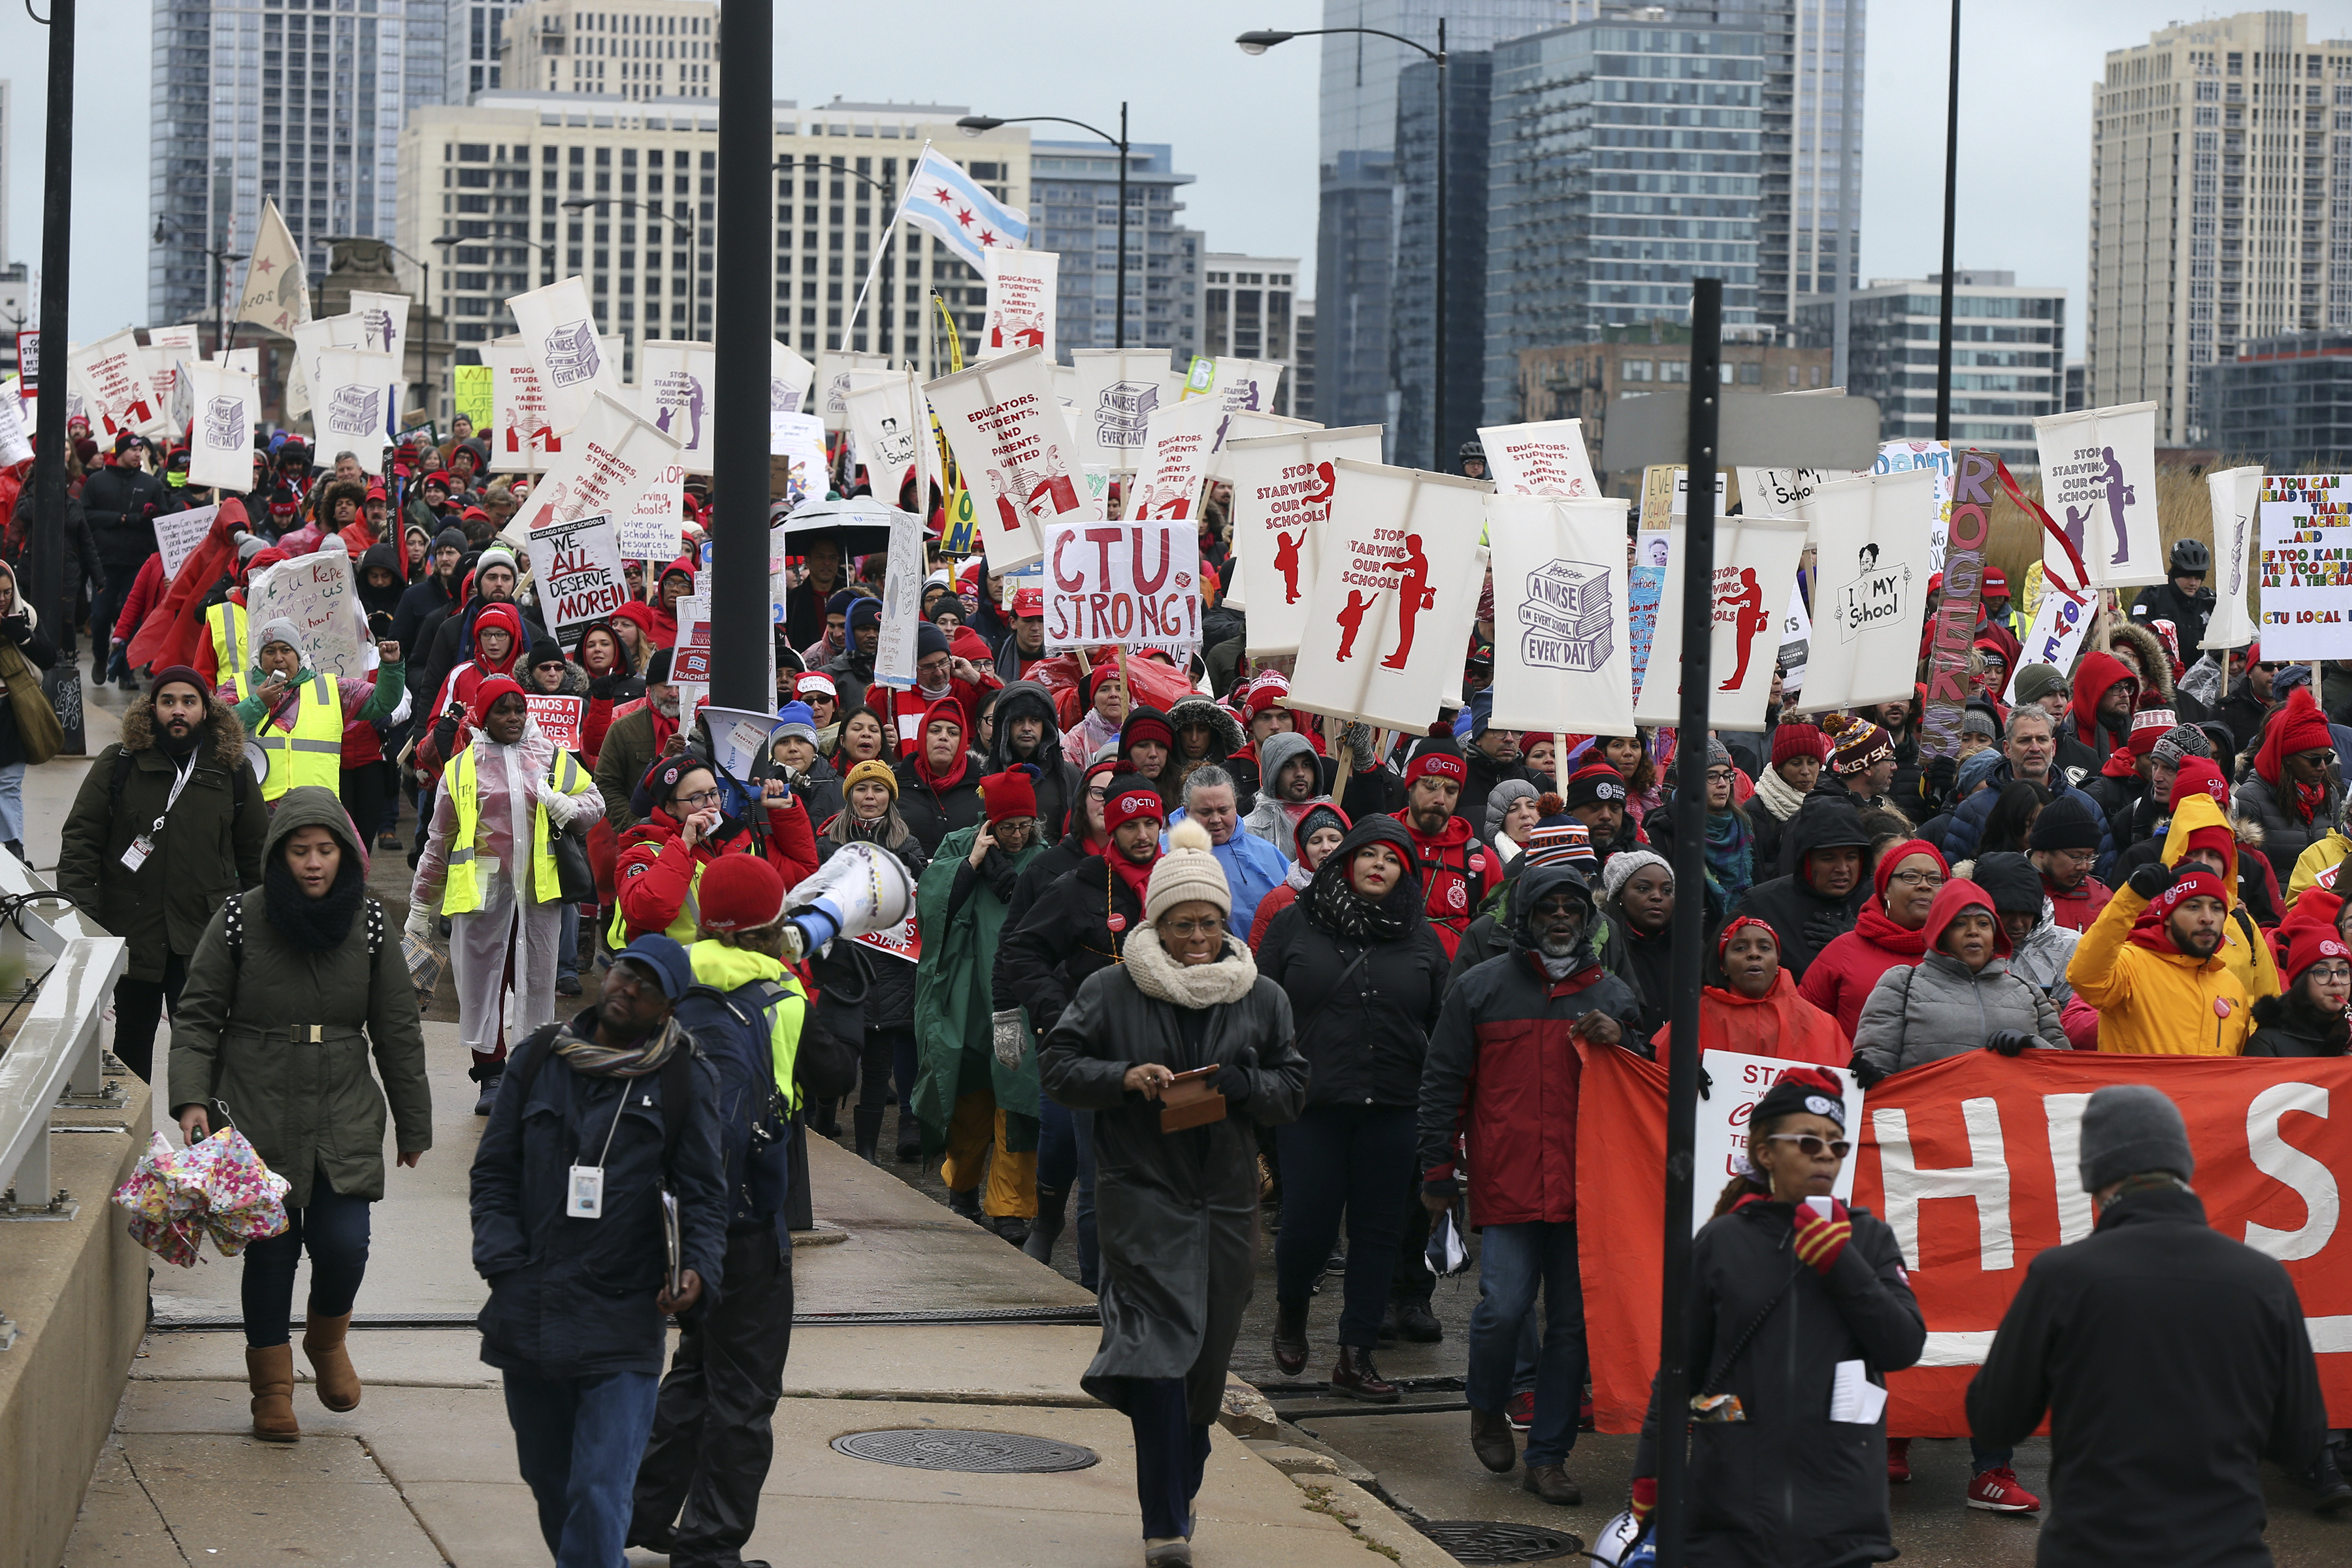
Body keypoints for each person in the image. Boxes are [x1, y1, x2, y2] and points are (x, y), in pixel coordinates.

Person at [1037, 819, 1310, 1567]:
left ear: (1226, 924)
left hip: (1226, 1206)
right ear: (1156, 923)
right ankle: (1164, 1525)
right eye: (1182, 924)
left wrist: (1246, 1087)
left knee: (1204, 1366)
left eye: (1209, 923)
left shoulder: (1262, 996)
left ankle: (1179, 1487)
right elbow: (1057, 1068)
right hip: (1141, 1201)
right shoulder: (1110, 989)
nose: (1197, 938)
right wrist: (1123, 1078)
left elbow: (1293, 1088)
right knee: (1156, 1353)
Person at [164, 787, 429, 1441]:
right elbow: (197, 1017)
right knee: (270, 1252)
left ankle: (326, 1340)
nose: (313, 863)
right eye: (300, 850)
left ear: (345, 854)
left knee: (344, 1244)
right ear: (279, 855)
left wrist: (413, 1122)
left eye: (325, 850)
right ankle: (272, 1390)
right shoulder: (238, 919)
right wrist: (192, 1098)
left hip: (343, 1105)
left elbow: (397, 1029)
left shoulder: (370, 923)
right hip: (254, 1103)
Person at [1967, 1084, 2333, 1559]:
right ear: (2181, 1164)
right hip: (2226, 1551)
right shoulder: (2264, 1280)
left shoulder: (2062, 1276)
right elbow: (2301, 1441)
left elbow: (1994, 1419)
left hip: (2093, 1550)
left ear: (2095, 1174)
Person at [470, 934, 727, 1568]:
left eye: (649, 988)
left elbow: (704, 1195)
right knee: (551, 1481)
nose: (629, 990)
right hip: (530, 1306)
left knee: (599, 1489)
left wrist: (697, 1269)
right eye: (625, 974)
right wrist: (502, 1262)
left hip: (623, 1313)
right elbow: (494, 1172)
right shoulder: (539, 1058)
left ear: (668, 1009)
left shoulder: (684, 1079)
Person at [1416, 858, 1646, 1502]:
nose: (1561, 918)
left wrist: (1625, 1041)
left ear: (1589, 918)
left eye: (1573, 908)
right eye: (1549, 908)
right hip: (1508, 1181)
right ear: (1525, 916)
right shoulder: (1480, 988)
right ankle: (1486, 1404)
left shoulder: (1613, 997)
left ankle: (1548, 1457)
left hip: (1588, 1190)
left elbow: (1648, 1085)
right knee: (1502, 1311)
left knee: (1573, 1326)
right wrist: (1437, 1171)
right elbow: (1442, 1083)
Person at [1629, 1066, 1924, 1560]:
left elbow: (1904, 1346)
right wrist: (1651, 1473)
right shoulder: (1722, 1240)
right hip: (1730, 1518)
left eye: (1837, 1145)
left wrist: (1843, 1264)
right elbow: (1681, 1373)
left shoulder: (1868, 1238)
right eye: (1808, 1142)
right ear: (1765, 1153)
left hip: (1842, 1522)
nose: (1826, 1154)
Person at [626, 858, 814, 1567]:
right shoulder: (782, 998)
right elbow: (822, 1079)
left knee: (697, 1368)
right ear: (772, 925)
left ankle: (638, 1510)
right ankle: (710, 1547)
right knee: (745, 1389)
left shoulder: (665, 987)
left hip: (669, 1214)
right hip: (744, 1222)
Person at [1256, 816, 1449, 1401]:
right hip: (1311, 1104)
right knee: (1309, 1223)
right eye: (1370, 854)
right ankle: (1292, 1308)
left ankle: (1355, 1356)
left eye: (1393, 859)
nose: (1379, 865)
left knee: (1378, 1232)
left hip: (1394, 1105)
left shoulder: (1421, 936)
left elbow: (1441, 1024)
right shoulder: (1295, 923)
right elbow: (1259, 1007)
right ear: (1346, 861)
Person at [57, 666, 269, 1081]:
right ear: (152, 708)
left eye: (189, 702)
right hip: (134, 931)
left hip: (205, 936)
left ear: (205, 710)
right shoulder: (120, 764)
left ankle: (203, 1125)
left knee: (203, 1046)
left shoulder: (233, 770)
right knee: (133, 1039)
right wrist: (83, 918)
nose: (178, 711)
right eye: (167, 701)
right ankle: (133, 1123)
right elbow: (81, 840)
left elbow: (256, 857)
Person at [410, 678, 606, 1112]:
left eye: (519, 709)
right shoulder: (462, 768)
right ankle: (492, 1075)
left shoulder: (551, 755)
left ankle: (531, 1072)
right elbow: (438, 842)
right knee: (486, 988)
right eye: (502, 710)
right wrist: (420, 906)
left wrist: (572, 809)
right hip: (483, 896)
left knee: (536, 983)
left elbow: (595, 803)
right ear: (484, 716)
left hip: (538, 895)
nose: (514, 718)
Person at [911, 769, 1047, 1241]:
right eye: (1008, 827)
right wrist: (971, 863)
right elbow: (932, 908)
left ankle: (1011, 1206)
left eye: (1025, 826)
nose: (1017, 835)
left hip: (1019, 997)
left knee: (1018, 1096)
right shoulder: (959, 845)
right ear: (991, 822)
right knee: (968, 1092)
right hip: (966, 993)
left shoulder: (1044, 860)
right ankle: (963, 1184)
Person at [809, 759, 930, 1163]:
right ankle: (823, 1124)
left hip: (892, 970)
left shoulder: (907, 845)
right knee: (835, 1058)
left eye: (878, 789)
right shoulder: (828, 844)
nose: (870, 796)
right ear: (849, 796)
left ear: (890, 797)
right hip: (844, 969)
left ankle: (867, 1153)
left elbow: (923, 902)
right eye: (861, 789)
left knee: (879, 1068)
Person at [1850, 875, 2068, 1100]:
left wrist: (2032, 1045)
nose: (1973, 932)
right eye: (1960, 924)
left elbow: (2066, 1070)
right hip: (1929, 1117)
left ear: (1995, 936)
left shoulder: (2029, 992)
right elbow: (1875, 1068)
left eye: (1983, 924)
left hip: (2014, 1118)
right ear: (1941, 934)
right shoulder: (1902, 984)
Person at [612, 754, 819, 943]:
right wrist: (683, 845)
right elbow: (648, 914)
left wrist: (785, 813)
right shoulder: (643, 852)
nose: (711, 804)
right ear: (670, 808)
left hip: (747, 963)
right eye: (697, 798)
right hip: (685, 968)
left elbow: (802, 879)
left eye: (714, 793)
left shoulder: (742, 839)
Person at [2066, 862, 2254, 1055]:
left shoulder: (2233, 987)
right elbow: (2085, 977)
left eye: (2216, 908)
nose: (2207, 918)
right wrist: (2130, 899)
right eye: (2193, 907)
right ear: (2168, 917)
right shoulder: (2129, 966)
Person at [233, 619, 406, 804]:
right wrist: (258, 703)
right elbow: (218, 729)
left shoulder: (332, 688)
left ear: (298, 655)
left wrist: (391, 667)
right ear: (259, 657)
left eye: (286, 650)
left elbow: (382, 702)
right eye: (270, 651)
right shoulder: (238, 686)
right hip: (258, 807)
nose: (278, 658)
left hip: (318, 806)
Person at [1800, 838, 1950, 1039]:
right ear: (1885, 889)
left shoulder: (1960, 952)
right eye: (1910, 877)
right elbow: (1803, 1025)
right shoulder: (1842, 951)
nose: (1924, 885)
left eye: (1935, 879)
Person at [1652, 915, 1847, 1065]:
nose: (1754, 954)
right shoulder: (1692, 1019)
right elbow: (1657, 1071)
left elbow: (1845, 1086)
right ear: (1723, 966)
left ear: (1777, 961)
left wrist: (1858, 1076)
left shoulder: (1823, 1025)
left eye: (1764, 947)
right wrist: (1682, 1076)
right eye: (1740, 948)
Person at [1729, 796, 1871, 979]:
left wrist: (1860, 941)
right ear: (1806, 860)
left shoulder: (1879, 901)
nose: (1843, 869)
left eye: (1851, 857)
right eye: (1828, 858)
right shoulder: (1762, 906)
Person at [1388, 738, 1501, 958]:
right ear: (1410, 784)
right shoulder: (1381, 845)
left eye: (1451, 791)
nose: (1440, 799)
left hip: (1456, 975)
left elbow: (1497, 932)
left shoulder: (1480, 858)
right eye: (1431, 786)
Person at [2240, 685, 2342, 884]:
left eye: (2327, 758)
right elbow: (2253, 878)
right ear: (2287, 757)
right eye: (2314, 760)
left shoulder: (2330, 794)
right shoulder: (2251, 800)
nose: (2323, 767)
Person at [1168, 768, 1286, 938]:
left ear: (1235, 805)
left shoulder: (1267, 852)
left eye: (1223, 810)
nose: (1216, 820)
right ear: (1187, 810)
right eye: (1205, 812)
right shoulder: (1163, 854)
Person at [0, 557, 59, 855]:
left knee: (9, 784)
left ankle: (14, 850)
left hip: (14, 709)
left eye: (7, 592)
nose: (2, 599)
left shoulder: (26, 615)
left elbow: (48, 658)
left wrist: (20, 634)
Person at [1970, 851, 2080, 1009]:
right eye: (2007, 913)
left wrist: (2062, 1016)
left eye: (2027, 914)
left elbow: (2088, 1011)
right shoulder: (1961, 946)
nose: (2018, 924)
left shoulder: (2068, 948)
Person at [593, 649, 683, 838]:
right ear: (649, 687)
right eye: (666, 686)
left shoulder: (701, 726)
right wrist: (634, 826)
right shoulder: (624, 729)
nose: (674, 693)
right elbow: (607, 785)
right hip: (643, 837)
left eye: (680, 686)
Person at [983, 679, 1080, 844]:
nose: (1027, 728)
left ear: (1047, 726)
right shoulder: (983, 775)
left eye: (1035, 720)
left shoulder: (1071, 776)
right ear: (1004, 726)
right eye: (1018, 720)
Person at [1247, 801, 1348, 950]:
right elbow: (1261, 957)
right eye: (1316, 842)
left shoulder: (1364, 892)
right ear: (1303, 849)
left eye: (1334, 840)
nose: (1326, 847)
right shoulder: (1276, 901)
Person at [892, 697, 986, 855]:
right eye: (935, 731)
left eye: (953, 733)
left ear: (962, 741)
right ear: (923, 736)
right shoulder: (895, 785)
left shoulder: (982, 788)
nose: (943, 737)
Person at [1598, 850, 1675, 1039]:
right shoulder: (1603, 949)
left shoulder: (1693, 949)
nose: (1657, 897)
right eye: (1643, 888)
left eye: (1666, 891)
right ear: (1620, 895)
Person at [2247, 928, 2352, 1056]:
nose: (2336, 981)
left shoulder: (2348, 1033)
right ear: (2301, 981)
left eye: (2343, 972)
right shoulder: (2267, 1042)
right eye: (2322, 972)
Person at [1746, 723, 1829, 876]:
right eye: (1796, 763)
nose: (1806, 771)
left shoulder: (1832, 803)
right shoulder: (1756, 811)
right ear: (1779, 767)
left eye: (1812, 762)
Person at [1239, 731, 1330, 855]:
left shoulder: (1331, 820)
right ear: (1272, 772)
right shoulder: (1253, 830)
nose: (1300, 773)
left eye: (1306, 765)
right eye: (1288, 766)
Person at [2129, 536, 2217, 650]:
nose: (2193, 583)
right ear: (2175, 574)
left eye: (2198, 578)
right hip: (2163, 661)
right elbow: (2138, 633)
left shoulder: (2210, 600)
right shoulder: (2152, 597)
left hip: (2203, 661)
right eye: (2187, 577)